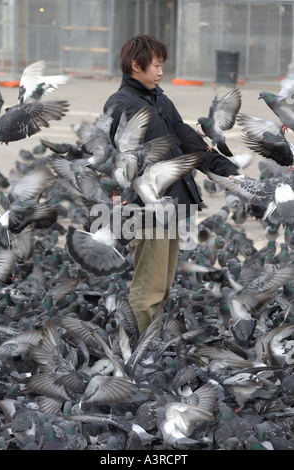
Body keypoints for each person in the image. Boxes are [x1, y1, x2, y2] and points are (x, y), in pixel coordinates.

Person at [103, 34, 238, 335]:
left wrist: (228, 171)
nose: (162, 71)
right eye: (156, 65)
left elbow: (188, 140)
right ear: (136, 66)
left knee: (162, 285)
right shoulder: (121, 104)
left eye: (162, 65)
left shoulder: (159, 99)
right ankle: (139, 354)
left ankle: (150, 347)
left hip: (173, 204)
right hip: (146, 209)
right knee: (149, 288)